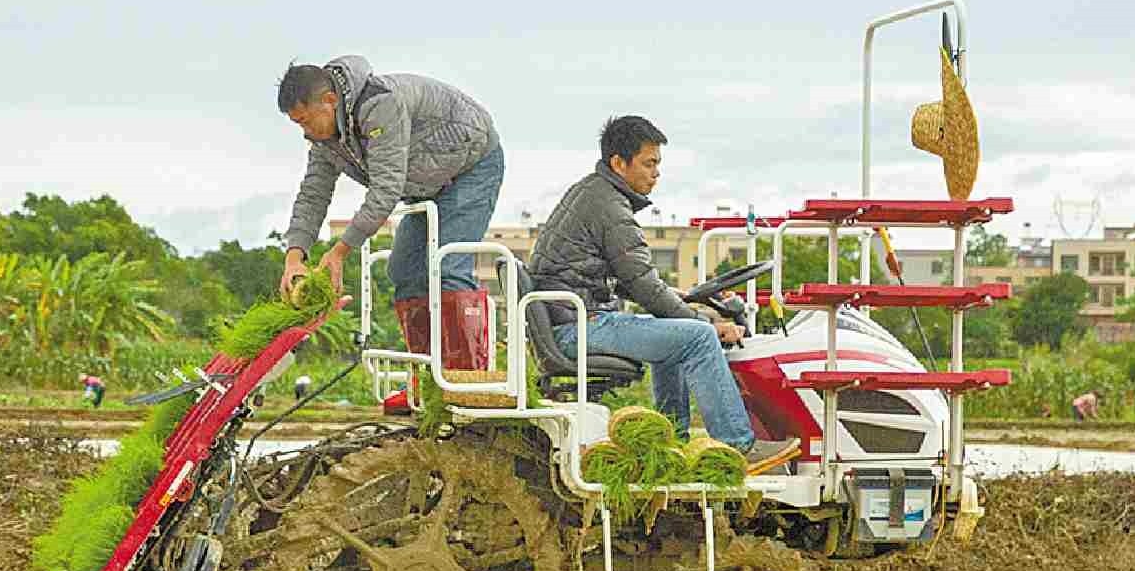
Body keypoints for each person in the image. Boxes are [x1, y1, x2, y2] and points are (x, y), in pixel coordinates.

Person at [527, 115, 799, 471]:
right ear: (618, 163)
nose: (656, 174)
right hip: (579, 325)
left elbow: (628, 279)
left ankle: (673, 445)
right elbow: (641, 283)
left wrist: (678, 298)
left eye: (658, 164)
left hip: (572, 318)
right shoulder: (609, 207)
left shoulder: (594, 194)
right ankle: (737, 447)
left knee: (676, 335)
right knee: (698, 338)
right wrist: (707, 323)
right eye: (649, 163)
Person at [275, 57, 505, 373]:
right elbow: (313, 194)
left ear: (329, 101)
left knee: (447, 266)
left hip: (471, 166)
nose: (305, 131)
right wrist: (294, 257)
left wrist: (340, 251)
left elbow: (385, 191)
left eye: (305, 120)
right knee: (404, 270)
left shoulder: (380, 104)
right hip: (427, 183)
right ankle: (426, 378)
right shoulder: (325, 140)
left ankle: (465, 383)